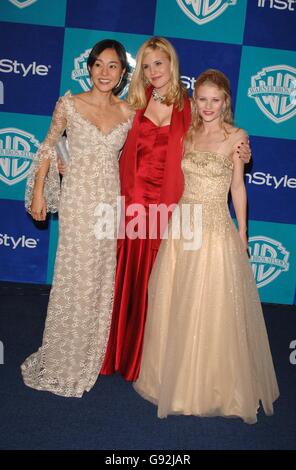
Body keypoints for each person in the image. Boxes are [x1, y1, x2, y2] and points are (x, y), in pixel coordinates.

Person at [99, 38, 251, 381]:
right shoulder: (134, 105)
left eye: (160, 64)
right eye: (147, 65)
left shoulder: (190, 107)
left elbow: (218, 140)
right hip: (134, 207)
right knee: (130, 278)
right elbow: (107, 145)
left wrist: (241, 151)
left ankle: (152, 361)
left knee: (165, 287)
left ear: (172, 65)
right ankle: (123, 353)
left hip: (170, 210)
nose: (154, 72)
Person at [133, 69, 279, 424]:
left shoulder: (237, 137)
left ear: (226, 101)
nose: (209, 106)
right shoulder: (189, 133)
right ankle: (173, 379)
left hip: (214, 228)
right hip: (183, 225)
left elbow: (238, 189)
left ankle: (211, 384)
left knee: (211, 307)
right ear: (194, 101)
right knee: (175, 301)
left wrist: (243, 232)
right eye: (203, 99)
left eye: (216, 100)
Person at [21, 39, 133, 397]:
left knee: (99, 278)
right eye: (98, 64)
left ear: (121, 73)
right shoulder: (69, 104)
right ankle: (62, 357)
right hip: (78, 201)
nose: (104, 72)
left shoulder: (130, 113)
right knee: (73, 275)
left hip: (108, 204)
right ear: (89, 68)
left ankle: (88, 353)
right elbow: (48, 146)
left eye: (112, 66)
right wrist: (39, 191)